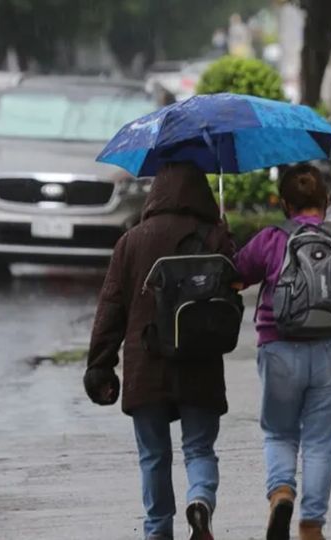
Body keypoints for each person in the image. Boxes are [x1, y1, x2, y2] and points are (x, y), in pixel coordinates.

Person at [235, 164, 331, 540]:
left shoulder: (272, 239)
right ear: (326, 200)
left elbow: (235, 275)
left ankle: (281, 492)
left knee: (279, 433)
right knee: (320, 440)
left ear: (284, 204)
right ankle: (311, 524)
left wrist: (227, 244)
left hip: (279, 347)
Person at [84, 161, 232, 540]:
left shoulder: (131, 241)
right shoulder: (213, 236)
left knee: (153, 456)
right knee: (199, 448)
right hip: (200, 361)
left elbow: (111, 308)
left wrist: (100, 365)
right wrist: (225, 243)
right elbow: (233, 293)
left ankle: (157, 531)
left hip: (145, 364)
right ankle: (200, 500)